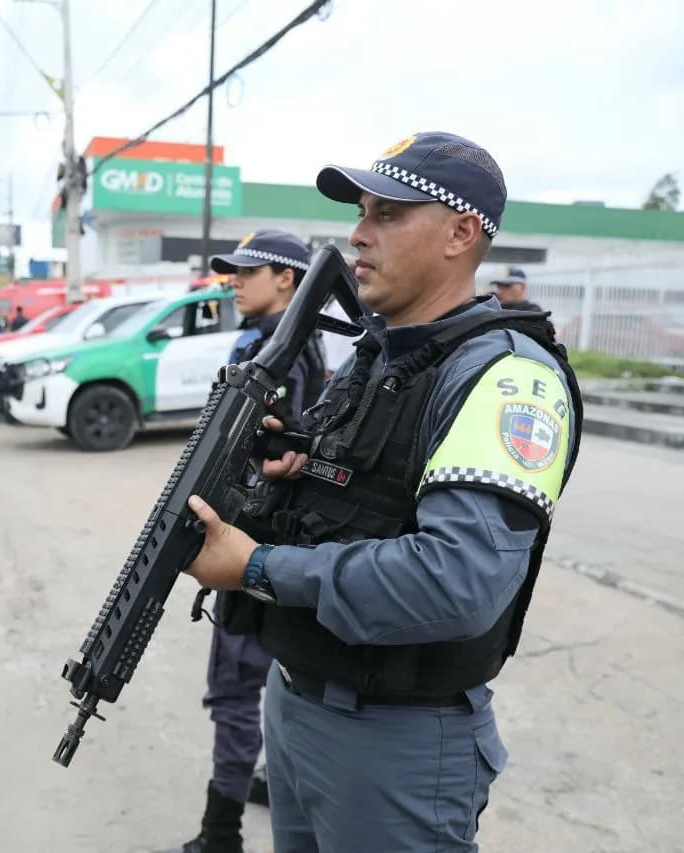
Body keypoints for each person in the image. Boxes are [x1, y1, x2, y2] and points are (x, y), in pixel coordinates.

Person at [181, 131, 583, 852]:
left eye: (388, 215)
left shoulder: (507, 377)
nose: (358, 234)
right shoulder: (379, 352)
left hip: (395, 735)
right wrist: (300, 468)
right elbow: (369, 492)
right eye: (362, 212)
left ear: (461, 232)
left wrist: (256, 567)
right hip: (299, 698)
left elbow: (456, 580)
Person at [170, 229, 327, 853]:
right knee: (270, 683)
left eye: (248, 271)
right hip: (265, 538)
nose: (234, 281)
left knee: (237, 689)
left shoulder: (280, 352)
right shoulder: (284, 344)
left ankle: (220, 832)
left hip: (252, 541)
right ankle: (260, 781)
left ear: (288, 279)